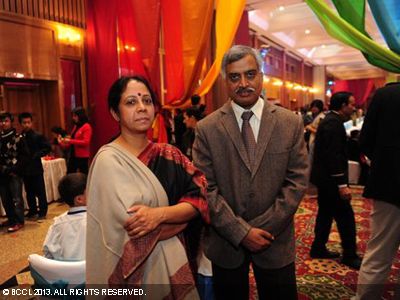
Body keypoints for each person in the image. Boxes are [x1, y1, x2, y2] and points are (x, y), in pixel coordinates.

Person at [192, 45, 309, 300]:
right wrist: (241, 232)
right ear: (225, 81)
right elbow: (205, 188)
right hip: (226, 244)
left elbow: (297, 180)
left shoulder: (290, 123)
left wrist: (261, 230)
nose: (243, 83)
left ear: (261, 76)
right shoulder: (207, 129)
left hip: (275, 240)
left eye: (250, 74)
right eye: (235, 77)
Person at [86, 76, 209, 299]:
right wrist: (180, 219)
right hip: (130, 276)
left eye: (147, 101)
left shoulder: (170, 154)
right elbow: (132, 229)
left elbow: (201, 196)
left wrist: (159, 214)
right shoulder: (108, 160)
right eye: (131, 102)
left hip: (175, 261)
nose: (142, 108)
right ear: (116, 113)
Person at [356, 82, 400, 300]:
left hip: (388, 183)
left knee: (379, 251)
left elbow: (364, 140)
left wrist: (384, 162)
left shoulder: (385, 94)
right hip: (388, 181)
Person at [310, 91, 362, 269]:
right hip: (331, 181)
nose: (354, 108)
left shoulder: (331, 120)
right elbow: (333, 156)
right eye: (352, 104)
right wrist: (342, 184)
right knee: (345, 217)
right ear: (342, 106)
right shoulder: (334, 124)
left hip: (325, 179)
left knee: (325, 213)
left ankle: (318, 247)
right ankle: (350, 255)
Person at [43, 173, 87, 261]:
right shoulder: (99, 219)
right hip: (94, 272)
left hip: (65, 273)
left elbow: (48, 254)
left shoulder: (57, 223)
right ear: (79, 199)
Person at [0, 112, 29, 232]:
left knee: (16, 199)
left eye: (6, 121)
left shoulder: (18, 137)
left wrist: (14, 169)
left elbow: (25, 156)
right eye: (1, 121)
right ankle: (11, 219)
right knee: (5, 198)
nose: (3, 123)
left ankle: (19, 221)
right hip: (2, 173)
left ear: (11, 122)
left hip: (14, 173)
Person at [19, 112, 51, 219]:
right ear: (20, 124)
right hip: (25, 169)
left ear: (32, 122)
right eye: (24, 123)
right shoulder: (19, 137)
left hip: (36, 168)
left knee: (40, 191)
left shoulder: (38, 135)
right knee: (29, 192)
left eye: (28, 122)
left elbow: (47, 147)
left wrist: (37, 155)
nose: (26, 125)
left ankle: (42, 211)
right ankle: (32, 210)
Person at [58, 107, 92, 174]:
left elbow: (86, 142)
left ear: (80, 116)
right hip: (73, 154)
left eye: (75, 116)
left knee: (84, 175)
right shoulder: (76, 126)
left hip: (82, 156)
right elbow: (72, 139)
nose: (73, 118)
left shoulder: (87, 126)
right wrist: (62, 141)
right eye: (73, 116)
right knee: (70, 174)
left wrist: (69, 141)